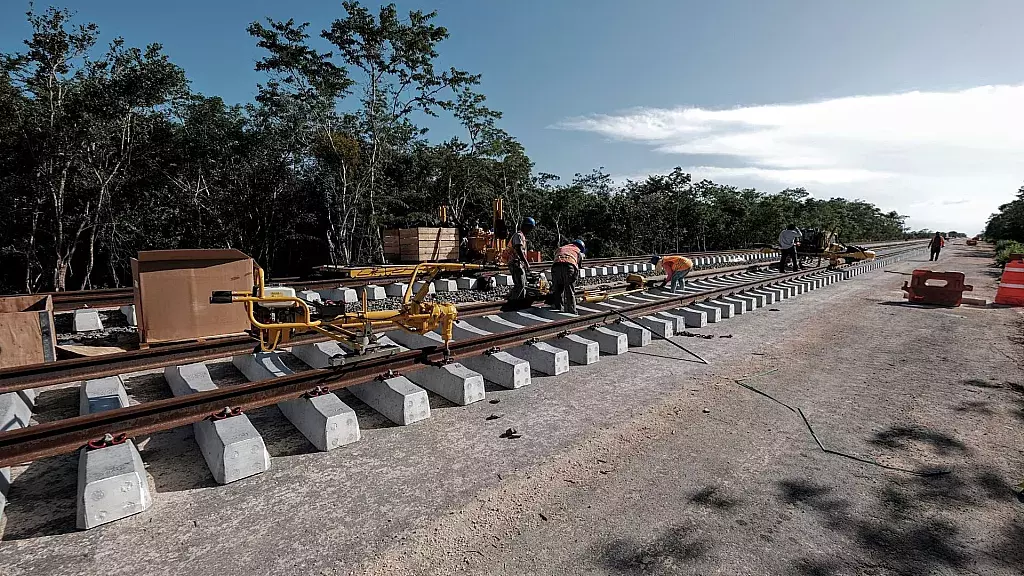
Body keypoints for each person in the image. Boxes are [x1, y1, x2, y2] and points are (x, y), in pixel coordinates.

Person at [548, 239, 586, 314]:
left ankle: (558, 307)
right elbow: (579, 265)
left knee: (558, 289)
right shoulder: (578, 250)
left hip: (556, 266)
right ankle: (572, 310)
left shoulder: (562, 248)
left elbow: (556, 256)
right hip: (569, 266)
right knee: (569, 290)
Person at [504, 217, 536, 302]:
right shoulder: (518, 235)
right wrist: (526, 262)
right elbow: (518, 249)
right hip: (515, 262)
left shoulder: (522, 236)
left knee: (522, 284)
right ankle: (513, 303)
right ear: (526, 226)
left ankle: (519, 302)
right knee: (520, 285)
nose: (530, 230)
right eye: (530, 228)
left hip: (518, 263)